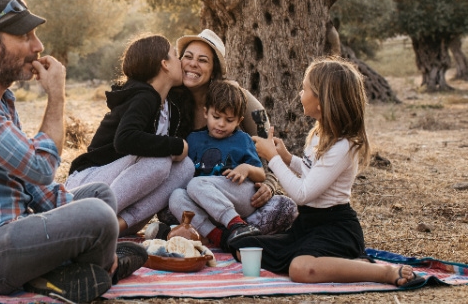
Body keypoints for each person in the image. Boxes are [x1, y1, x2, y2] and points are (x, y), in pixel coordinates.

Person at [0, 0, 147, 303]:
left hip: (8, 232)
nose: (37, 46)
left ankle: (70, 271)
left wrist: (76, 210)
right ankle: (103, 268)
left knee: (100, 196)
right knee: (99, 216)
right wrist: (56, 97)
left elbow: (30, 184)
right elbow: (39, 168)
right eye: (25, 37)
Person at [231, 57, 425, 288]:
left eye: (304, 89)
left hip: (335, 228)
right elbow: (313, 174)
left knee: (300, 269)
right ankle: (329, 262)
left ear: (322, 102)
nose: (299, 93)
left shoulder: (344, 146)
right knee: (242, 247)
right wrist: (287, 158)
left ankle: (383, 273)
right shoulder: (318, 134)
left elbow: (303, 194)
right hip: (307, 226)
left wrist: (272, 158)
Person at [163, 29, 297, 237]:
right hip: (199, 194)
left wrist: (270, 185)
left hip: (235, 190)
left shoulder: (237, 99)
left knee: (283, 208)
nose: (192, 64)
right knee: (171, 202)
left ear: (214, 69)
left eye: (203, 60)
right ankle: (222, 236)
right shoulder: (173, 101)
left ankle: (233, 227)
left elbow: (266, 148)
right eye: (187, 57)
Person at [66, 34, 194, 236]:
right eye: (176, 56)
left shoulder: (169, 106)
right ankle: (83, 225)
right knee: (160, 161)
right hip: (87, 183)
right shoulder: (143, 96)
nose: (181, 61)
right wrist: (176, 145)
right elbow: (124, 139)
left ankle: (118, 225)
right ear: (165, 65)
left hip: (121, 199)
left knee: (186, 167)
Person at [169, 80, 267, 248]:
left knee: (195, 184)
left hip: (238, 196)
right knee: (176, 197)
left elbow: (261, 174)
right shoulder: (194, 139)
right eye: (216, 117)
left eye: (229, 120)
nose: (221, 124)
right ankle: (219, 237)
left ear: (239, 120)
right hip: (208, 204)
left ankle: (238, 225)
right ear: (206, 112)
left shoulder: (242, 139)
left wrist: (246, 168)